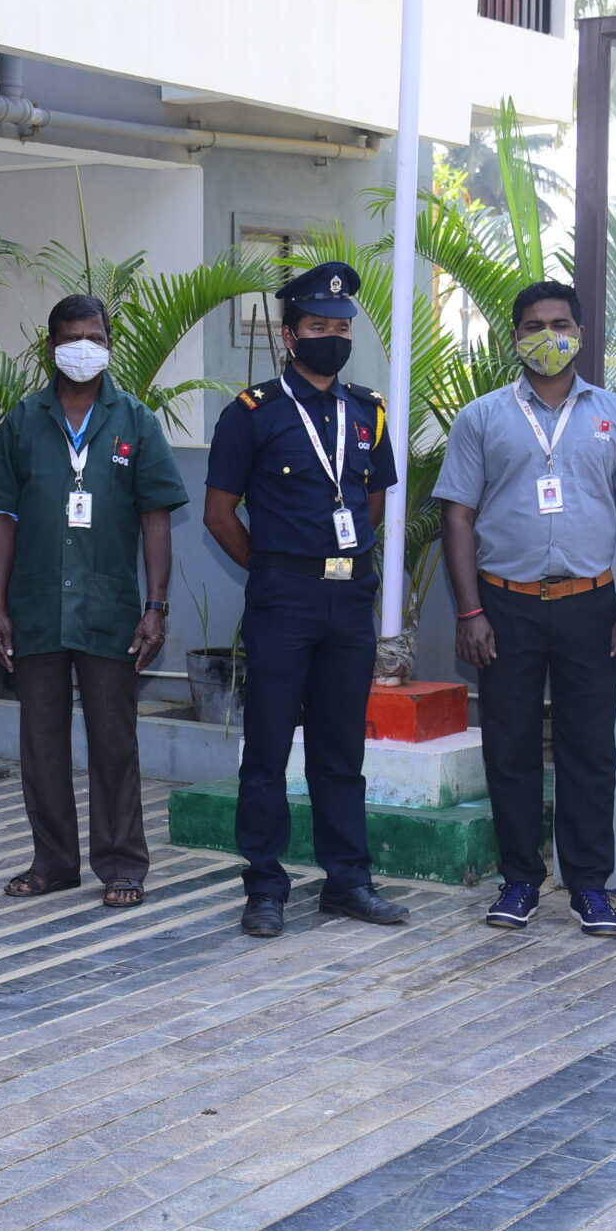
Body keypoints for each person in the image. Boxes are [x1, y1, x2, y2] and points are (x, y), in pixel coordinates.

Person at [436, 279, 616, 938]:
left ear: (581, 332)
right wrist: (469, 611)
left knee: (590, 751)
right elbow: (457, 514)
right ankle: (518, 880)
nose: (548, 335)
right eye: (534, 325)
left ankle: (591, 885)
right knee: (508, 750)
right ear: (515, 337)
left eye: (560, 322)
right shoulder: (482, 417)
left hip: (590, 605)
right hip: (504, 607)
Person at [204, 262, 410, 938]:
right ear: (289, 334)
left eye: (341, 327)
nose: (332, 336)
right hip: (283, 598)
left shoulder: (369, 411)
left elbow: (372, 501)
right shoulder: (251, 413)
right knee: (266, 746)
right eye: (318, 326)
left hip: (349, 598)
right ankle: (264, 885)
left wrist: (342, 559)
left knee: (340, 746)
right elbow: (219, 513)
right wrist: (271, 568)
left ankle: (347, 880)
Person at [0, 296, 188, 907]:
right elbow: (0, 516)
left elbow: (156, 519)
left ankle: (122, 864)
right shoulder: (22, 422)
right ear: (51, 348)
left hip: (110, 611)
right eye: (71, 338)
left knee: (113, 741)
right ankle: (54, 862)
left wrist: (157, 607)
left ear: (109, 343)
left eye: (94, 337)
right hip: (37, 606)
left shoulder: (136, 421)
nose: (83, 348)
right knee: (40, 741)